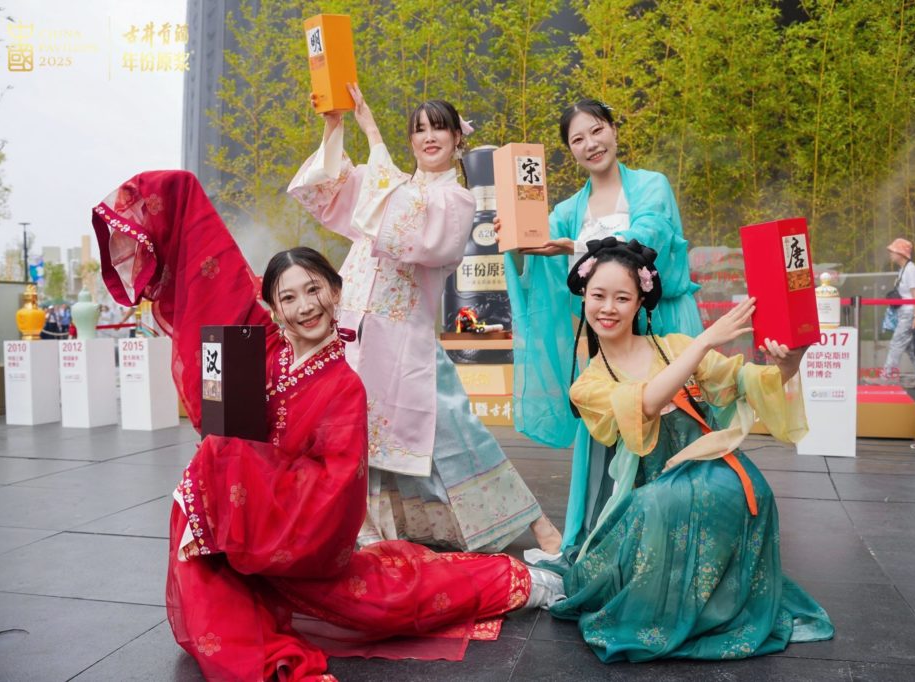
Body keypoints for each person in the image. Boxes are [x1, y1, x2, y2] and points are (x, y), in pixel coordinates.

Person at [90, 170, 563, 681]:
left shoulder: (343, 387)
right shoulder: (266, 354)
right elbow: (216, 281)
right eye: (288, 298)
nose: (305, 306)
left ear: (336, 291)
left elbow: (335, 491)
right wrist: (178, 199)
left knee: (384, 600)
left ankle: (516, 582)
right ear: (273, 309)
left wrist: (244, 477)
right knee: (198, 506)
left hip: (300, 539)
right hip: (252, 530)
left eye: (313, 289)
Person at [288, 84, 561, 553]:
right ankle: (372, 530)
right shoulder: (391, 186)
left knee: (456, 430)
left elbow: (411, 229)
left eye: (439, 128)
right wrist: (335, 128)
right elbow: (328, 189)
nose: (429, 137)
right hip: (354, 336)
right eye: (419, 130)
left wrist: (372, 132)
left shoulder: (455, 200)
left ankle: (537, 522)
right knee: (357, 436)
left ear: (458, 139)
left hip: (405, 342)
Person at [544, 237, 833, 662]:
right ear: (583, 297)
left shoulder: (674, 346)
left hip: (713, 466)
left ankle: (716, 607)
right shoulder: (588, 383)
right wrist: (704, 343)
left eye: (622, 298)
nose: (608, 308)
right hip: (651, 487)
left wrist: (790, 361)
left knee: (751, 494)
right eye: (598, 295)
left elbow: (742, 381)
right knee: (655, 508)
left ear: (640, 302)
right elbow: (645, 403)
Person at [498, 99, 703, 550]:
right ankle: (612, 539)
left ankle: (680, 541)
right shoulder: (569, 209)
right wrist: (514, 237)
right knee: (616, 431)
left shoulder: (651, 185)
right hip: (610, 335)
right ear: (569, 150)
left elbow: (646, 240)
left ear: (613, 129)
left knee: (673, 427)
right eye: (578, 139)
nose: (591, 144)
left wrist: (573, 246)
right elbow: (539, 258)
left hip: (662, 323)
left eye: (596, 131)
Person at [882, 238, 915, 385]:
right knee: (911, 348)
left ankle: (887, 376)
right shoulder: (904, 270)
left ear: (901, 253)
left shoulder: (910, 270)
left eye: (893, 251)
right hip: (907, 311)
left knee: (896, 343)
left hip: (910, 312)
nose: (891, 254)